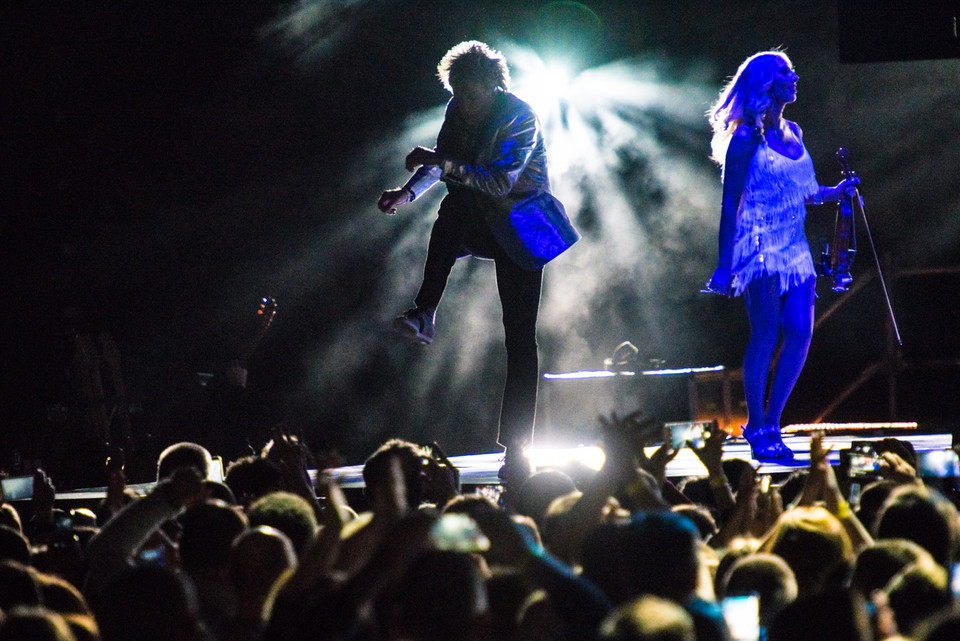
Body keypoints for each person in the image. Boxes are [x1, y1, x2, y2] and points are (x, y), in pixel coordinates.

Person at [377, 41, 554, 484]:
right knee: (453, 210)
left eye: (470, 94)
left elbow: (496, 182)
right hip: (478, 220)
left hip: (522, 225)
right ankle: (425, 312)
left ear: (493, 86)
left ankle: (518, 446)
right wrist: (406, 192)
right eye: (456, 92)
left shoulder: (519, 115)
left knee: (520, 338)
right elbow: (442, 169)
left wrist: (441, 161)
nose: (463, 103)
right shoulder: (456, 109)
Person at [705, 50, 861, 459]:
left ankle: (774, 420)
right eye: (784, 71)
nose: (794, 76)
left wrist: (835, 192)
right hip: (758, 243)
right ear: (763, 83)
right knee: (767, 332)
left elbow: (805, 193)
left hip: (795, 244)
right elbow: (729, 204)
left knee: (801, 331)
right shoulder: (743, 138)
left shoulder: (794, 130)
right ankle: (758, 426)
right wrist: (724, 264)